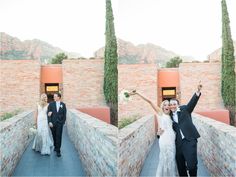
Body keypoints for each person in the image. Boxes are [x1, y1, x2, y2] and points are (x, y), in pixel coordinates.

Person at [128, 91, 177, 177]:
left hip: (172, 138)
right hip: (164, 139)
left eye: (168, 105)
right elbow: (150, 101)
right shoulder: (160, 112)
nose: (166, 106)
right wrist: (138, 93)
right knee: (164, 158)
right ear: (162, 107)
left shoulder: (172, 115)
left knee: (172, 158)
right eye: (164, 105)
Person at [170, 83, 202, 177]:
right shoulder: (169, 116)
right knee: (181, 166)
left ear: (178, 105)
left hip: (190, 140)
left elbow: (192, 103)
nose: (172, 106)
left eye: (174, 104)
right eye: (171, 104)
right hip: (178, 143)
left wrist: (198, 91)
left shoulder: (185, 110)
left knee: (192, 165)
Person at [47, 93, 67, 157]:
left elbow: (64, 114)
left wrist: (63, 122)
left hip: (59, 123)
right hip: (52, 123)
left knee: (59, 136)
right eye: (53, 96)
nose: (54, 97)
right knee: (54, 135)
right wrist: (49, 121)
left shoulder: (63, 105)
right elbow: (48, 113)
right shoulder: (51, 104)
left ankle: (58, 150)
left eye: (55, 96)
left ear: (59, 97)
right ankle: (55, 146)